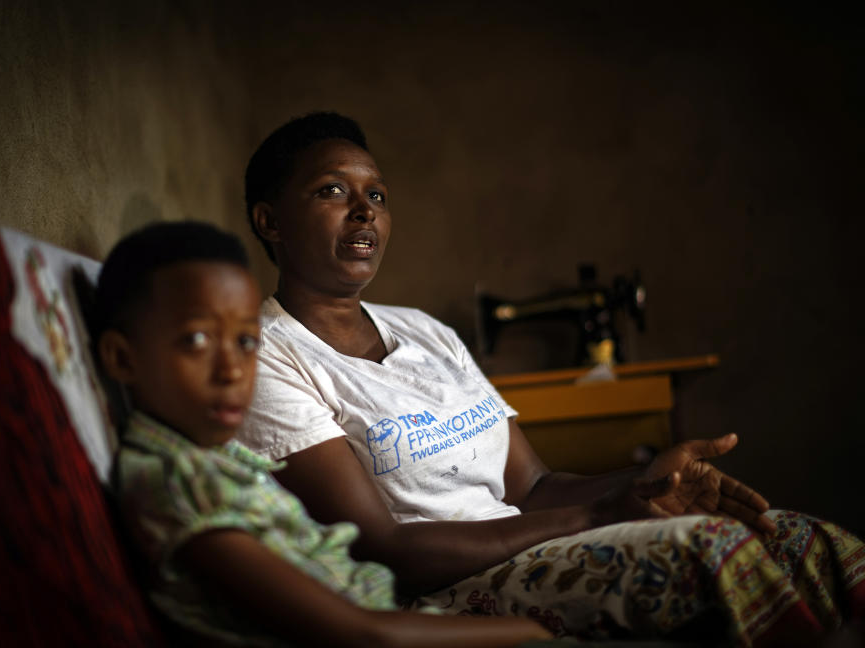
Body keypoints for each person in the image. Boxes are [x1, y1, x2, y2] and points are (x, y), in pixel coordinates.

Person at [237, 112, 865, 646]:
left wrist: (653, 484)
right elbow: (381, 548)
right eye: (331, 191)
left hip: (530, 545)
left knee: (796, 537)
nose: (363, 212)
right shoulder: (269, 358)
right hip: (447, 589)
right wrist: (596, 515)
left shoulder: (423, 331)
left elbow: (533, 487)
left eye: (376, 195)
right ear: (270, 221)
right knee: (712, 555)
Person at [92, 221, 553, 647]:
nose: (232, 369)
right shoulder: (181, 483)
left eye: (246, 341)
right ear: (121, 359)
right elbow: (364, 635)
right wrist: (528, 633)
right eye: (196, 341)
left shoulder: (219, 460)